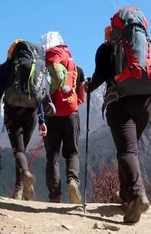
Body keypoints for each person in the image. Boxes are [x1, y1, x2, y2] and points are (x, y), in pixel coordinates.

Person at [86, 7, 151, 223]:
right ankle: (126, 196)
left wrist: (87, 87)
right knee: (128, 150)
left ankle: (138, 195)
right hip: (147, 102)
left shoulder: (106, 48)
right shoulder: (147, 44)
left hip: (121, 103)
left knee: (126, 151)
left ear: (112, 32)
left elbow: (99, 78)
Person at [0, 39, 48, 201]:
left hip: (12, 112)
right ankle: (19, 189)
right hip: (32, 113)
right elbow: (40, 94)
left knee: (18, 150)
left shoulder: (3, 68)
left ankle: (24, 176)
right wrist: (43, 120)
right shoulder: (35, 67)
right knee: (21, 151)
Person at [43, 38, 86, 204]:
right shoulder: (77, 69)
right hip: (71, 115)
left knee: (52, 156)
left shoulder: (46, 69)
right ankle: (73, 181)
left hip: (51, 116)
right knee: (72, 152)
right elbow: (81, 97)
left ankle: (55, 196)